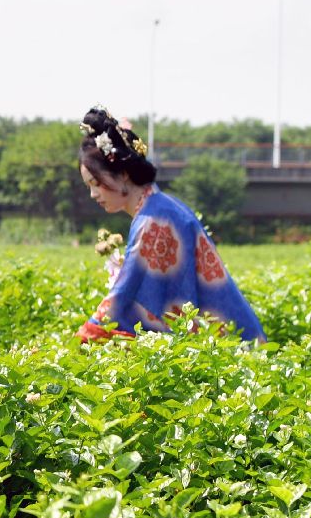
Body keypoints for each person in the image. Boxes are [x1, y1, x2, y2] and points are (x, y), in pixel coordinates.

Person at [76, 107, 265, 343]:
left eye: (96, 183)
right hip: (231, 342)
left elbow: (125, 298)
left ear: (122, 173)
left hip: (227, 348)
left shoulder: (155, 221)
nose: (93, 194)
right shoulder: (159, 207)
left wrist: (84, 338)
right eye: (89, 186)